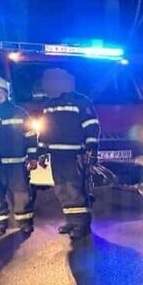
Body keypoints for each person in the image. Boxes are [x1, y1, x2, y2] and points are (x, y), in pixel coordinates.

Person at [37, 68, 100, 240]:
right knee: (61, 189)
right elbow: (45, 129)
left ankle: (81, 224)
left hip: (74, 153)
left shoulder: (81, 101)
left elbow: (91, 125)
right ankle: (71, 221)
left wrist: (91, 148)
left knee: (74, 189)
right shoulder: (49, 104)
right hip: (56, 154)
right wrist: (41, 151)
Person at [0, 76, 37, 236]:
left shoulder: (19, 112)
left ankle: (25, 222)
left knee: (21, 193)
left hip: (16, 162)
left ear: (6, 93)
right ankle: (0, 224)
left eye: (0, 91)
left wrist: (33, 156)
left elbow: (31, 135)